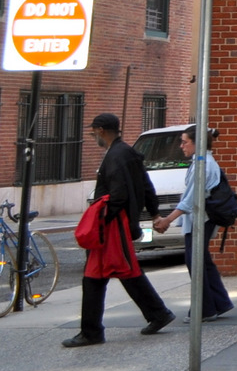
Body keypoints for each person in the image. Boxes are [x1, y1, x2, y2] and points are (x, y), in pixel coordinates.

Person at [63, 113, 176, 348]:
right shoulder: (127, 152)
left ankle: (92, 332)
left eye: (93, 132)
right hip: (120, 223)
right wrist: (154, 213)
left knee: (97, 275)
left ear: (101, 130)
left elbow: (117, 195)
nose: (93, 136)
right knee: (120, 271)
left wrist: (101, 219)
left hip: (112, 225)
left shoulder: (115, 156)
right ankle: (157, 313)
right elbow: (145, 184)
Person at [151, 126, 234, 321]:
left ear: (198, 143)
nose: (181, 146)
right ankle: (219, 302)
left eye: (185, 142)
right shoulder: (202, 163)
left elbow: (190, 199)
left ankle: (204, 309)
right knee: (202, 261)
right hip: (201, 219)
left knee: (195, 262)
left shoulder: (203, 165)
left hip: (201, 220)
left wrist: (167, 220)